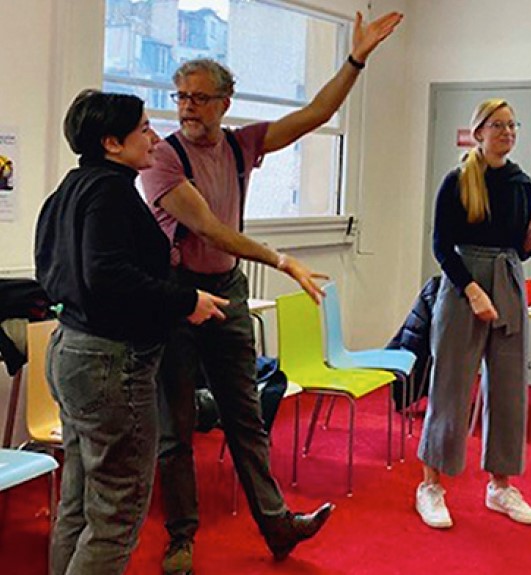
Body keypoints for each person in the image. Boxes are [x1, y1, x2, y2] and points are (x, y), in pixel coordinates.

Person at [139, 11, 403, 573]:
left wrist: (355, 59)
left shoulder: (242, 146)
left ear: (224, 102)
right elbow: (210, 228)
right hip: (178, 297)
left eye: (199, 98)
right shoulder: (162, 157)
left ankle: (278, 525)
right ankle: (181, 538)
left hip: (227, 291)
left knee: (246, 417)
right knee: (176, 428)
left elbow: (317, 114)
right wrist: (282, 260)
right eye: (181, 96)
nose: (187, 107)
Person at [34, 89, 226, 575]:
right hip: (109, 364)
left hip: (72, 351)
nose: (155, 138)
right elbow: (108, 276)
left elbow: (55, 273)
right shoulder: (111, 193)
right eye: (143, 128)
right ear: (112, 143)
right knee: (117, 511)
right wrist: (185, 300)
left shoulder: (70, 189)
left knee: (79, 503)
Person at [415, 98, 531, 529]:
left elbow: (519, 250)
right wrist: (472, 291)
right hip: (463, 283)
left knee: (509, 387)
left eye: (512, 125)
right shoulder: (457, 181)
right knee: (450, 385)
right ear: (479, 132)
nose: (508, 132)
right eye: (498, 125)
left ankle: (500, 486)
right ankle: (431, 485)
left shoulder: (521, 183)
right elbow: (441, 246)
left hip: (507, 279)